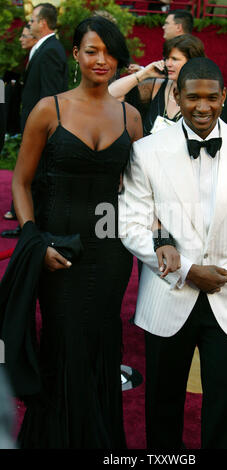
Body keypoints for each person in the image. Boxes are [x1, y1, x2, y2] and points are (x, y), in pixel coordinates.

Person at [119, 57, 227, 449]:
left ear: (224, 96)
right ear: (177, 95)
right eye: (192, 97)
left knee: (223, 406)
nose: (202, 106)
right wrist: (187, 270)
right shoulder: (148, 151)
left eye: (211, 97)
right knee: (162, 405)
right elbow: (130, 225)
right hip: (169, 294)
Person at [7, 16, 142, 448]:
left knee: (103, 344)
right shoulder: (51, 109)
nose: (101, 59)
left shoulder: (132, 117)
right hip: (57, 251)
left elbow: (141, 193)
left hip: (111, 254)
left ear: (119, 57)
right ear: (76, 55)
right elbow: (21, 183)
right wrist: (35, 241)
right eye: (91, 50)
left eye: (109, 51)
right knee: (63, 343)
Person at [1, 3, 68, 238]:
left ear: (42, 23)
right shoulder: (45, 48)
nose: (28, 25)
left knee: (38, 178)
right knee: (33, 177)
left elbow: (48, 96)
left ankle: (33, 228)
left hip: (41, 129)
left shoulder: (50, 50)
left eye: (31, 21)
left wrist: (42, 128)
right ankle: (27, 224)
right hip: (35, 127)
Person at [109, 34, 205, 136]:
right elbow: (110, 94)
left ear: (192, 61)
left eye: (174, 59)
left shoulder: (205, 95)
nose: (168, 63)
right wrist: (145, 73)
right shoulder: (157, 86)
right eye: (166, 58)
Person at [3, 24, 38, 222]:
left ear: (34, 38)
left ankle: (18, 211)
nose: (20, 39)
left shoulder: (40, 56)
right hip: (14, 116)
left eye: (25, 36)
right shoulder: (22, 58)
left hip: (21, 119)